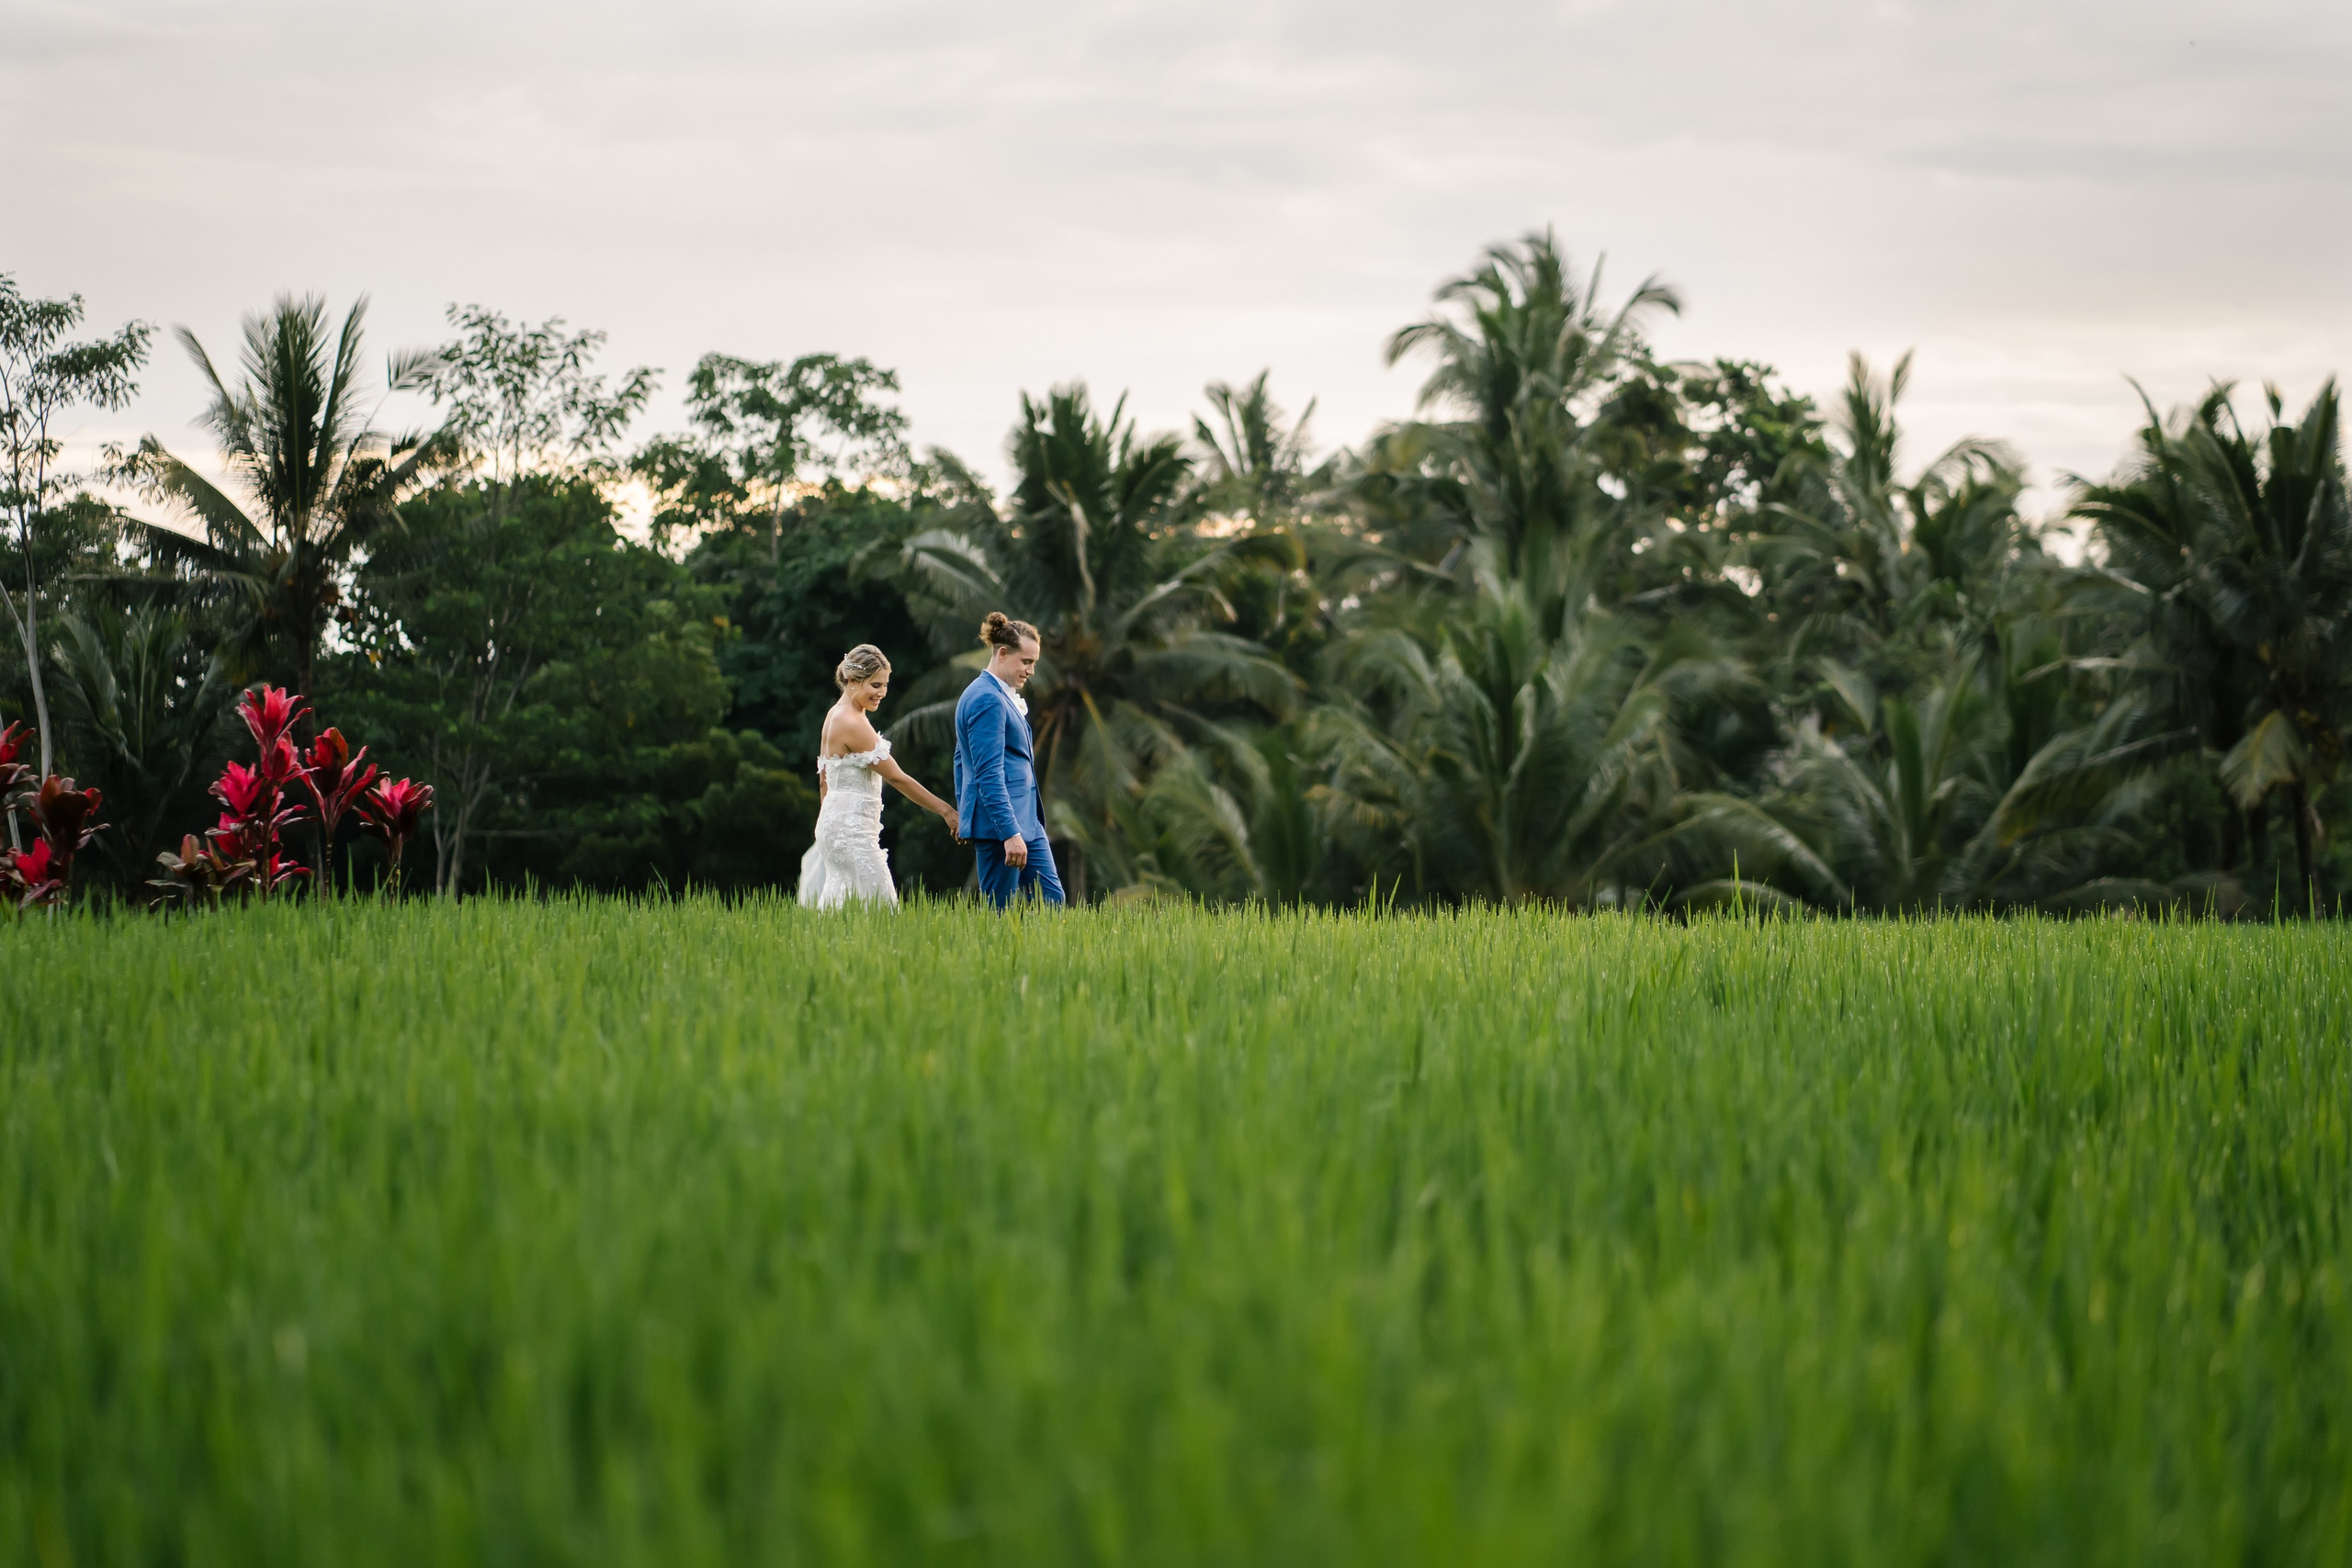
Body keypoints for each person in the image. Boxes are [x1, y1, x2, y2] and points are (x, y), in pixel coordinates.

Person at [797, 645, 959, 909]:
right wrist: (946, 811)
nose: (882, 693)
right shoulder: (852, 722)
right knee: (881, 908)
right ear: (852, 681)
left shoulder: (835, 715)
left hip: (834, 826)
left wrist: (828, 825)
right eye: (875, 685)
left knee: (845, 907)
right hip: (852, 833)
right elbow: (897, 778)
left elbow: (824, 780)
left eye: (884, 685)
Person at [954, 613, 1065, 908]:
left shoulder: (999, 695)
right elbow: (985, 771)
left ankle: (1044, 956)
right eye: (1026, 662)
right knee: (1000, 910)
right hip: (1001, 825)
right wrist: (1008, 832)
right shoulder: (985, 698)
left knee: (1052, 900)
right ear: (1003, 654)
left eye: (1034, 664)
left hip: (1026, 819)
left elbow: (959, 758)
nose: (1031, 671)